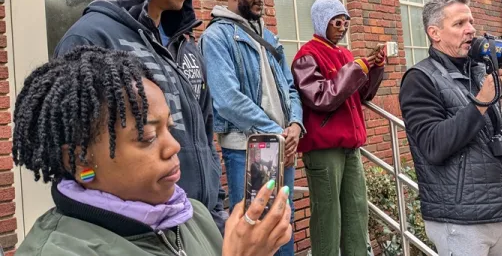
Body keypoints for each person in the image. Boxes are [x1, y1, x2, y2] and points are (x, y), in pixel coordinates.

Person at [13, 46, 292, 256]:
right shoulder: (57, 251)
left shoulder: (193, 215)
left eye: (169, 129)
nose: (174, 146)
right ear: (79, 158)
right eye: (147, 136)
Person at [53, 0, 228, 233]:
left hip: (197, 223)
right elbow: (77, 159)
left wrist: (215, 210)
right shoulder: (89, 40)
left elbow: (204, 130)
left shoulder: (183, 45)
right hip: (138, 234)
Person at [399, 0, 502, 255]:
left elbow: (500, 146)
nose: (471, 30)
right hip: (460, 222)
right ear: (435, 33)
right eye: (459, 24)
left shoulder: (480, 71)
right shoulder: (419, 79)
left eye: (470, 22)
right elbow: (433, 146)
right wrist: (481, 101)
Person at [201, 0, 304, 256]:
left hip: (283, 144)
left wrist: (295, 125)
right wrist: (277, 134)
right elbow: (227, 98)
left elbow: (291, 88)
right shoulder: (217, 36)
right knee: (256, 229)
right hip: (251, 148)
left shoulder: (269, 38)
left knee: (283, 222)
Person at [291, 0, 384, 256]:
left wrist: (374, 68)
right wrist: (358, 67)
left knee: (356, 209)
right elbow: (321, 97)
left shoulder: (344, 54)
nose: (342, 28)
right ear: (322, 22)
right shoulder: (306, 56)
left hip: (349, 146)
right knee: (327, 215)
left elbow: (362, 95)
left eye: (345, 22)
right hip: (324, 148)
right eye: (337, 22)